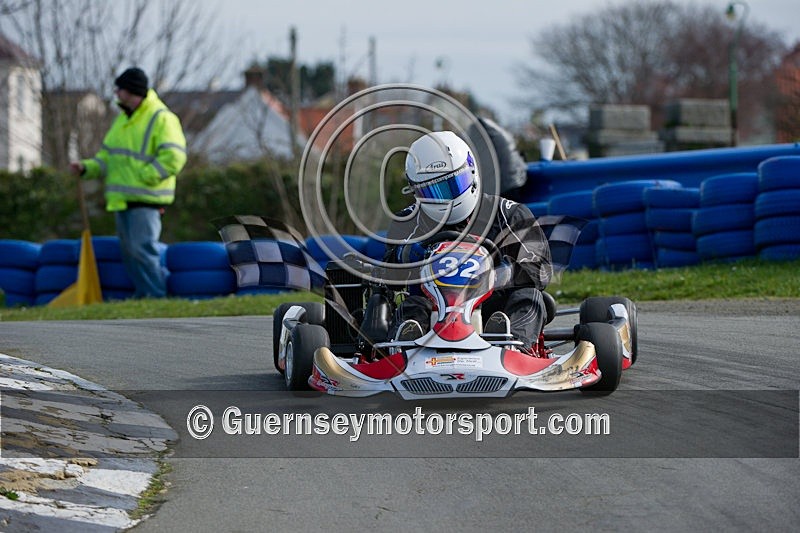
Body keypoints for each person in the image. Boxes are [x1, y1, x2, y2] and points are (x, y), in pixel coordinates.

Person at [383, 130, 553, 353]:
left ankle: (513, 348)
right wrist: (404, 256)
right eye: (433, 191)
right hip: (433, 309)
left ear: (471, 173)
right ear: (416, 190)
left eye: (452, 185)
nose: (446, 198)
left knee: (529, 297)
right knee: (413, 305)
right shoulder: (408, 223)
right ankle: (405, 348)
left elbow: (539, 269)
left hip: (493, 309)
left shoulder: (509, 214)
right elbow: (386, 279)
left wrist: (497, 274)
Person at [70, 67, 186, 298]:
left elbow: (175, 157)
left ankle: (155, 296)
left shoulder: (162, 118)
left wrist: (144, 177)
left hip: (147, 198)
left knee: (142, 250)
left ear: (130, 90)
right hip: (123, 200)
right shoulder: (122, 121)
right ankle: (143, 295)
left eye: (119, 88)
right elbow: (106, 159)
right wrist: (87, 168)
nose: (115, 93)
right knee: (130, 252)